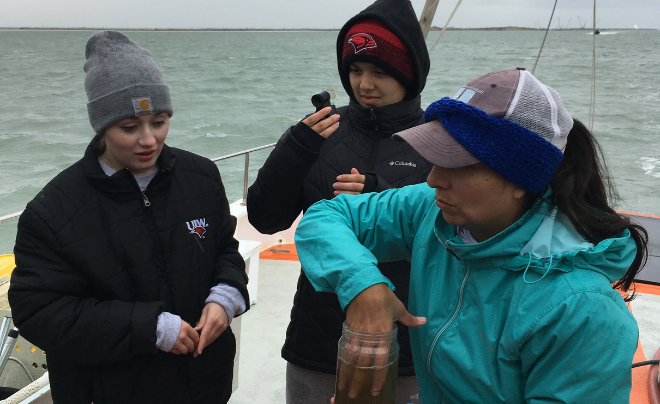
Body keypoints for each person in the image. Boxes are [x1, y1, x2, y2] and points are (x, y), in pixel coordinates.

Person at [295, 67, 649, 403]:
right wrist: (361, 285)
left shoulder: (581, 312)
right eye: (434, 157)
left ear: (521, 178)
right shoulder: (433, 211)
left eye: (457, 163)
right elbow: (326, 216)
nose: (433, 179)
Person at [8, 31, 249, 404]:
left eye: (159, 121)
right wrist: (148, 328)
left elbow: (223, 250)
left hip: (203, 382)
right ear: (101, 126)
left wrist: (227, 295)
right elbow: (39, 312)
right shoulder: (52, 210)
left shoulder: (201, 176)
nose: (149, 139)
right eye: (129, 127)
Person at [246, 0, 431, 402]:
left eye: (380, 72)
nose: (364, 84)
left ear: (409, 73)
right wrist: (294, 149)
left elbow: (452, 231)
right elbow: (265, 219)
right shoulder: (320, 132)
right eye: (355, 70)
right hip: (319, 341)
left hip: (411, 346)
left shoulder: (436, 141)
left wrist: (377, 195)